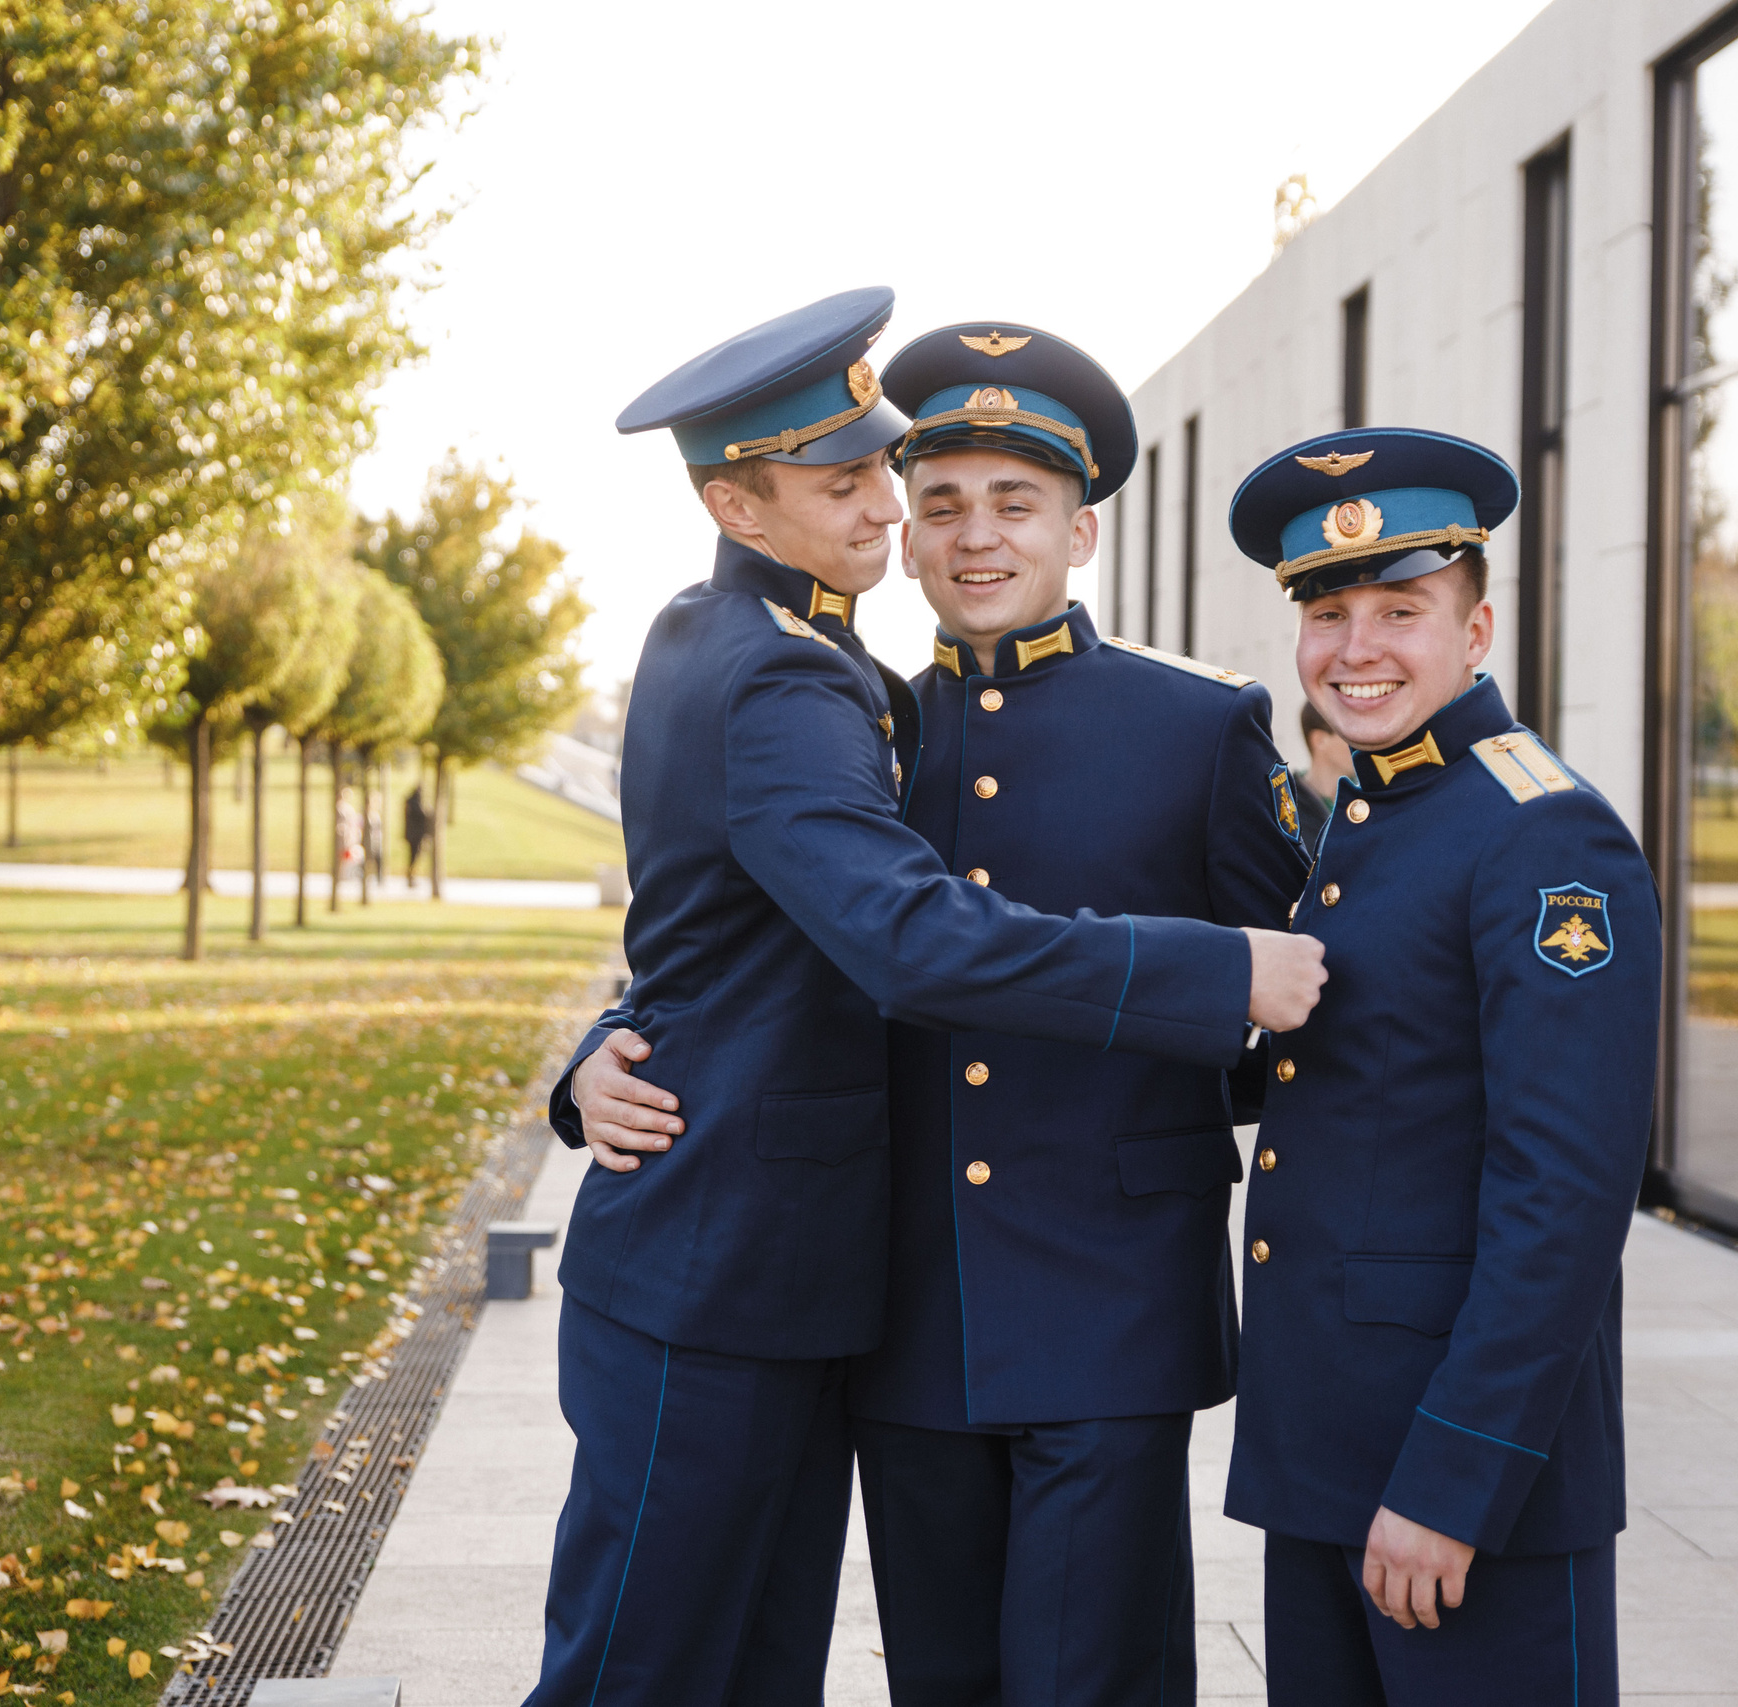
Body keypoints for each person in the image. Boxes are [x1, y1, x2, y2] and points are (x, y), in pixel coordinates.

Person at [523, 289, 1326, 1707]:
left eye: (1014, 503)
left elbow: (1308, 997)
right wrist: (606, 1046)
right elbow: (777, 934)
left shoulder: (1197, 727)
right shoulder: (863, 708)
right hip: (902, 1310)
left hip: (1105, 1306)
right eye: (925, 493)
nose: (958, 533)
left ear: (1080, 530)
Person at [1223, 427, 1660, 1706]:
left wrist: (1449, 1480)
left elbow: (1564, 1197)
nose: (1355, 650)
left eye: (1399, 610)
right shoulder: (1370, 814)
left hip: (1461, 1486)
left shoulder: (1539, 832)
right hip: (1327, 1452)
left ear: (1474, 632)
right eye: (1327, 613)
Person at [1295, 697, 1351, 846]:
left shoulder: (1367, 799)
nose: (1364, 740)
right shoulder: (1286, 809)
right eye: (1349, 730)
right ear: (1320, 740)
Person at [403, 783, 430, 887]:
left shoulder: (409, 802)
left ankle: (411, 876)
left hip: (412, 835)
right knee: (413, 857)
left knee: (413, 857)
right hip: (415, 835)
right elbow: (422, 815)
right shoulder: (415, 803)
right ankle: (411, 876)